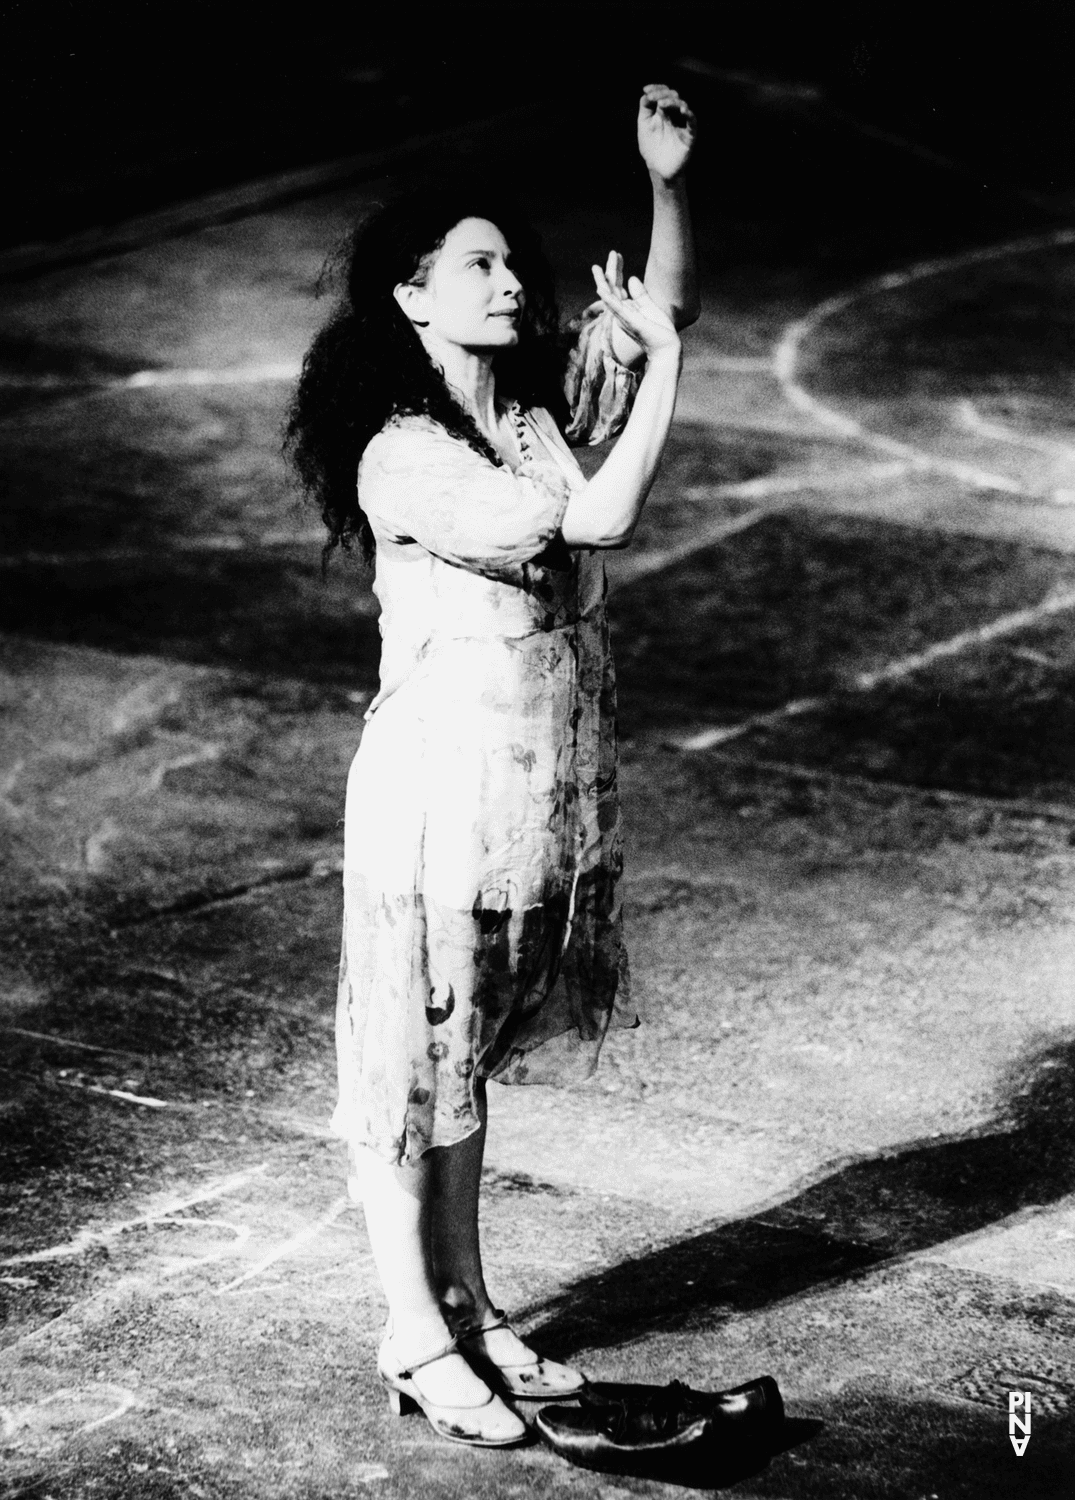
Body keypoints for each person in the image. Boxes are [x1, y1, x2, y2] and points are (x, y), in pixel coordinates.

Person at [286, 83, 698, 1448]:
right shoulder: (403, 458)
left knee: (464, 1063)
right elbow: (602, 517)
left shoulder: (525, 413)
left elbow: (659, 314)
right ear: (411, 299)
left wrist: (665, 187)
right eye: (478, 265)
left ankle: (467, 1300)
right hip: (438, 804)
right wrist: (665, 378)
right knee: (409, 1069)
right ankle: (411, 1331)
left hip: (532, 799)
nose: (511, 279)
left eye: (511, 261)